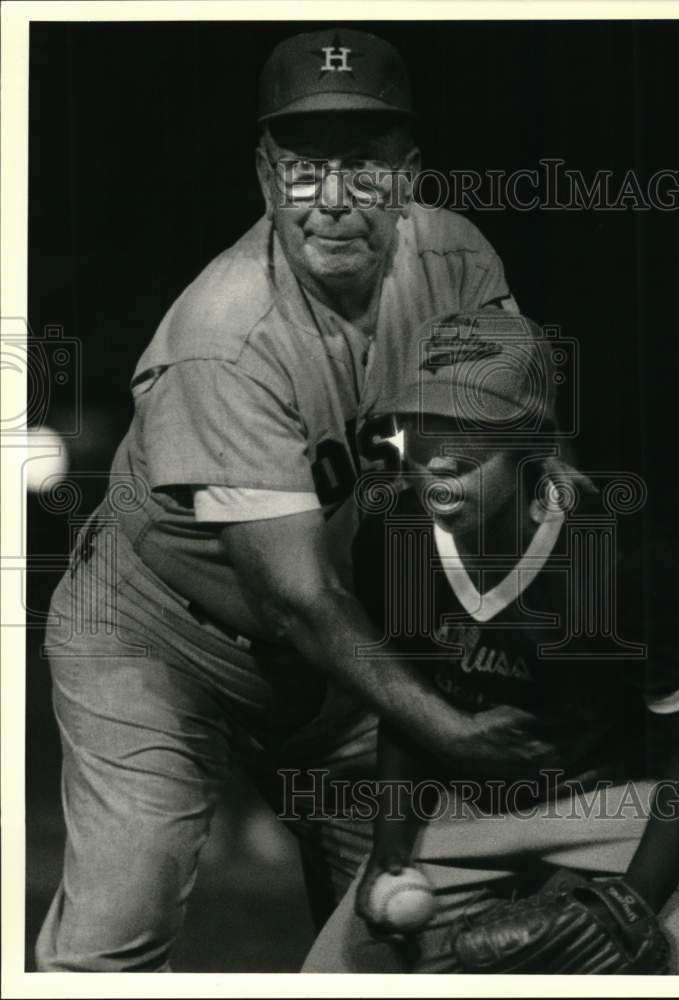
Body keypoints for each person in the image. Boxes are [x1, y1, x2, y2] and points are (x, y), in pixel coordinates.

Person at [35, 29, 556, 972]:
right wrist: (446, 726)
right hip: (155, 640)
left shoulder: (456, 262)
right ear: (267, 179)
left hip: (327, 651)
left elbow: (504, 450)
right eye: (305, 170)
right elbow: (292, 594)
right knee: (122, 921)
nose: (334, 201)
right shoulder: (225, 332)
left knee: (405, 922)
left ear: (408, 176)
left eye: (365, 169)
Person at [302, 309, 679, 975]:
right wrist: (389, 851)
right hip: (471, 804)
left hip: (626, 806)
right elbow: (408, 709)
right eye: (421, 428)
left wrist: (636, 902)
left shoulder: (620, 556)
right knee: (331, 977)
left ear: (532, 441)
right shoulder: (395, 538)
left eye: (472, 431)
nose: (440, 458)